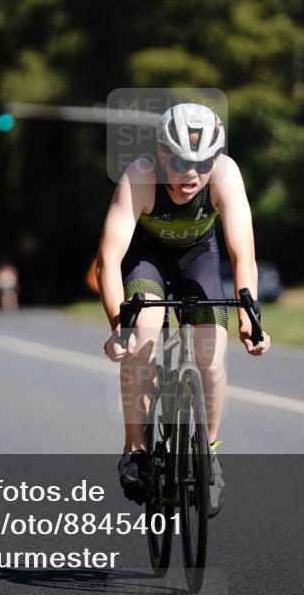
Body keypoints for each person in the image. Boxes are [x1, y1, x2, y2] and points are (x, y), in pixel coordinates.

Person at [96, 102, 271, 518]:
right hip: (147, 259)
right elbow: (109, 258)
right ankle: (135, 449)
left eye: (203, 162)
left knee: (211, 357)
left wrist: (250, 316)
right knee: (144, 335)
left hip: (199, 257)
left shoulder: (225, 176)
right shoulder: (140, 176)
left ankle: (207, 454)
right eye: (179, 162)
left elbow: (243, 254)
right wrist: (120, 326)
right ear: (161, 156)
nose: (191, 174)